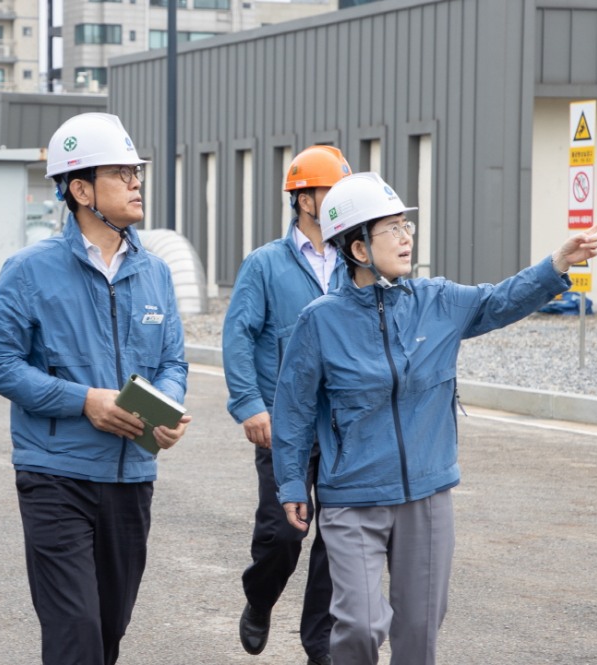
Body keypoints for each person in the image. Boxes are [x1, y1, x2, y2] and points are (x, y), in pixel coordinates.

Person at [271, 172, 597, 665]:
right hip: (353, 499)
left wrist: (557, 263)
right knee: (361, 625)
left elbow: (500, 300)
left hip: (427, 497)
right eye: (391, 229)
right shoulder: (320, 320)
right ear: (360, 249)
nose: (406, 237)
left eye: (406, 226)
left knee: (419, 630)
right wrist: (290, 484)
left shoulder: (438, 301)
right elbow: (294, 408)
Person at [0, 112, 191, 665]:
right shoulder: (27, 271)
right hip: (56, 477)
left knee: (108, 632)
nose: (136, 181)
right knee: (75, 635)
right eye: (121, 173)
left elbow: (173, 361)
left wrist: (164, 410)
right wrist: (85, 401)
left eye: (135, 171)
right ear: (80, 189)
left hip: (131, 479)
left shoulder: (156, 273)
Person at [223, 145, 352, 665]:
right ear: (303, 199)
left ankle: (320, 644)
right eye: (330, 192)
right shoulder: (265, 265)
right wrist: (249, 404)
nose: (340, 202)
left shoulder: (356, 260)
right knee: (283, 533)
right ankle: (260, 598)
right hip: (285, 425)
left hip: (346, 426)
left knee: (338, 540)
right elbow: (238, 336)